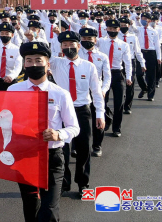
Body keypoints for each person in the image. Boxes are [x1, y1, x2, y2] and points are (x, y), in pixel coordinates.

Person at [9, 42, 80, 222]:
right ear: (24, 64)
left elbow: (74, 127)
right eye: (29, 60)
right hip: (25, 156)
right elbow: (4, 121)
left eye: (38, 61)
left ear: (48, 64)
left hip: (52, 156)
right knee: (30, 204)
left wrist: (59, 134)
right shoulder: (13, 91)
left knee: (49, 209)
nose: (34, 65)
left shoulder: (60, 93)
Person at [49, 31, 105, 197]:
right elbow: (42, 55)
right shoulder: (56, 63)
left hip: (82, 110)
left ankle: (83, 184)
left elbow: (96, 92)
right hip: (61, 111)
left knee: (84, 149)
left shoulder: (89, 66)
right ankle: (63, 183)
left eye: (71, 45)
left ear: (78, 46)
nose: (68, 48)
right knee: (61, 149)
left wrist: (100, 114)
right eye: (64, 45)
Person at [78, 28, 111, 158]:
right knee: (79, 119)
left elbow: (107, 76)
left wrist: (103, 90)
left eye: (89, 39)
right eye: (84, 39)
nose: (86, 41)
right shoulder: (77, 54)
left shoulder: (102, 56)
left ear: (95, 40)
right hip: (80, 92)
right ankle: (76, 145)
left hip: (97, 92)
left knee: (98, 118)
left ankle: (97, 145)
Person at [96, 19, 132, 137]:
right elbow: (87, 44)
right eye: (109, 29)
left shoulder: (124, 45)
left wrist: (129, 76)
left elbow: (127, 62)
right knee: (102, 101)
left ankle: (117, 128)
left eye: (114, 29)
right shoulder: (101, 41)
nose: (111, 31)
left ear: (118, 29)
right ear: (106, 29)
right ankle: (108, 117)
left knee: (119, 102)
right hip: (103, 74)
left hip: (117, 74)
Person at [117, 17, 145, 115]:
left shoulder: (133, 37)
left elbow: (138, 52)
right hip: (118, 62)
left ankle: (127, 106)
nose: (123, 27)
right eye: (121, 25)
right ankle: (119, 102)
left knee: (130, 83)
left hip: (130, 61)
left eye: (125, 25)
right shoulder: (116, 36)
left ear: (129, 26)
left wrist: (142, 63)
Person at [134, 12, 162, 101]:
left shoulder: (154, 31)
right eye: (142, 18)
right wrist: (132, 22)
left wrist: (159, 57)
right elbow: (132, 29)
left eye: (145, 19)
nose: (144, 20)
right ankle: (144, 88)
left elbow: (157, 45)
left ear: (149, 20)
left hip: (151, 53)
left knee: (151, 75)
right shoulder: (138, 29)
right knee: (139, 74)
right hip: (141, 53)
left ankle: (150, 94)